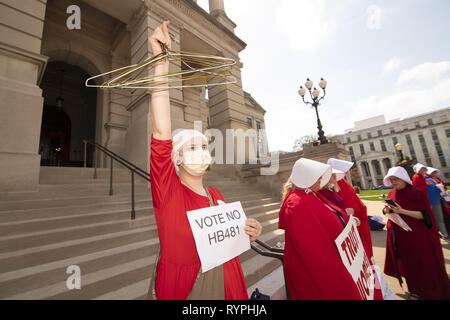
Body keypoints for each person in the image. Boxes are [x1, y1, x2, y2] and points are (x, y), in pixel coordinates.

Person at [147, 21, 262, 300]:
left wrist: (252, 230)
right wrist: (161, 64)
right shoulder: (168, 191)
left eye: (203, 145)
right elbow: (162, 130)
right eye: (191, 147)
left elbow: (231, 239)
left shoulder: (216, 194)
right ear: (177, 158)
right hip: (187, 287)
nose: (200, 151)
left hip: (230, 283)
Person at [279, 158, 381, 300]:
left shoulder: (311, 194)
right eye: (318, 176)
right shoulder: (296, 203)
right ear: (307, 178)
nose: (322, 179)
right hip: (322, 266)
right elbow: (310, 246)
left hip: (335, 256)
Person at [382, 166, 450, 300]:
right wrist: (386, 210)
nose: (394, 182)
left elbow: (424, 215)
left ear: (404, 179)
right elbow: (387, 212)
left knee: (424, 264)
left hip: (419, 236)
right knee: (409, 265)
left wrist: (402, 211)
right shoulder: (392, 194)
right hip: (403, 238)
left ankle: (429, 291)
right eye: (391, 179)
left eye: (396, 179)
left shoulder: (417, 193)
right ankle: (415, 290)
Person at [327, 158, 374, 259]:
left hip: (353, 219)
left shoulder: (341, 182)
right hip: (349, 220)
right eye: (345, 170)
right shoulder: (338, 183)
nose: (347, 171)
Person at [424, 171, 449, 240]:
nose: (434, 174)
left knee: (437, 220)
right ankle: (443, 234)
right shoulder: (429, 180)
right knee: (438, 220)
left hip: (434, 202)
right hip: (434, 202)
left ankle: (444, 234)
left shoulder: (432, 179)